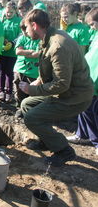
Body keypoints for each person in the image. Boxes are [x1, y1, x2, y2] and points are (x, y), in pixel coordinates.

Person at [19, 9, 94, 167]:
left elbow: (61, 84)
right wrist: (39, 81)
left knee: (31, 118)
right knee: (27, 105)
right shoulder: (50, 37)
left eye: (26, 27)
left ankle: (64, 151)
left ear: (34, 25)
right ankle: (47, 140)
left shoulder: (58, 45)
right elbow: (52, 67)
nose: (25, 31)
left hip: (74, 97)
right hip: (67, 92)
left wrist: (30, 90)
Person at [67, 7, 98, 156]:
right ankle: (82, 134)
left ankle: (96, 140)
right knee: (83, 107)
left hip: (95, 83)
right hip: (88, 78)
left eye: (93, 24)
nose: (91, 27)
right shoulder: (96, 35)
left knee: (91, 110)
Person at [13, 0, 40, 118]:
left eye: (26, 31)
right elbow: (18, 51)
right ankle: (19, 108)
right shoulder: (22, 37)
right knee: (18, 90)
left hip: (34, 71)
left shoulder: (39, 38)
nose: (25, 34)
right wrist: (29, 52)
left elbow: (38, 54)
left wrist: (29, 53)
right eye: (23, 31)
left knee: (32, 91)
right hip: (20, 68)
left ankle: (29, 111)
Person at [0, 2, 21, 102]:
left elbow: (20, 35)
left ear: (15, 11)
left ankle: (9, 92)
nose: (9, 14)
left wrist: (12, 42)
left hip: (12, 52)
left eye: (11, 12)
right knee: (1, 71)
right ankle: (1, 91)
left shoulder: (19, 21)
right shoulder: (2, 20)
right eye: (7, 12)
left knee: (10, 72)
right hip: (2, 51)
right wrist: (3, 41)